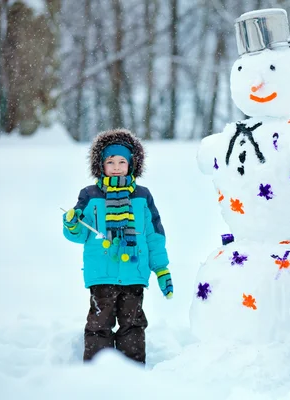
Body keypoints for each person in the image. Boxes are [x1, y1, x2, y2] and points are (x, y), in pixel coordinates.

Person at [62, 128, 173, 364]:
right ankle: (96, 371)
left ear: (132, 165)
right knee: (98, 325)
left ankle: (131, 372)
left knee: (132, 325)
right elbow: (80, 233)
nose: (115, 166)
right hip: (101, 274)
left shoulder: (142, 196)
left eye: (122, 161)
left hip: (134, 273)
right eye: (110, 161)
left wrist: (161, 269)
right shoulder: (90, 195)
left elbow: (154, 236)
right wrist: (72, 224)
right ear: (100, 165)